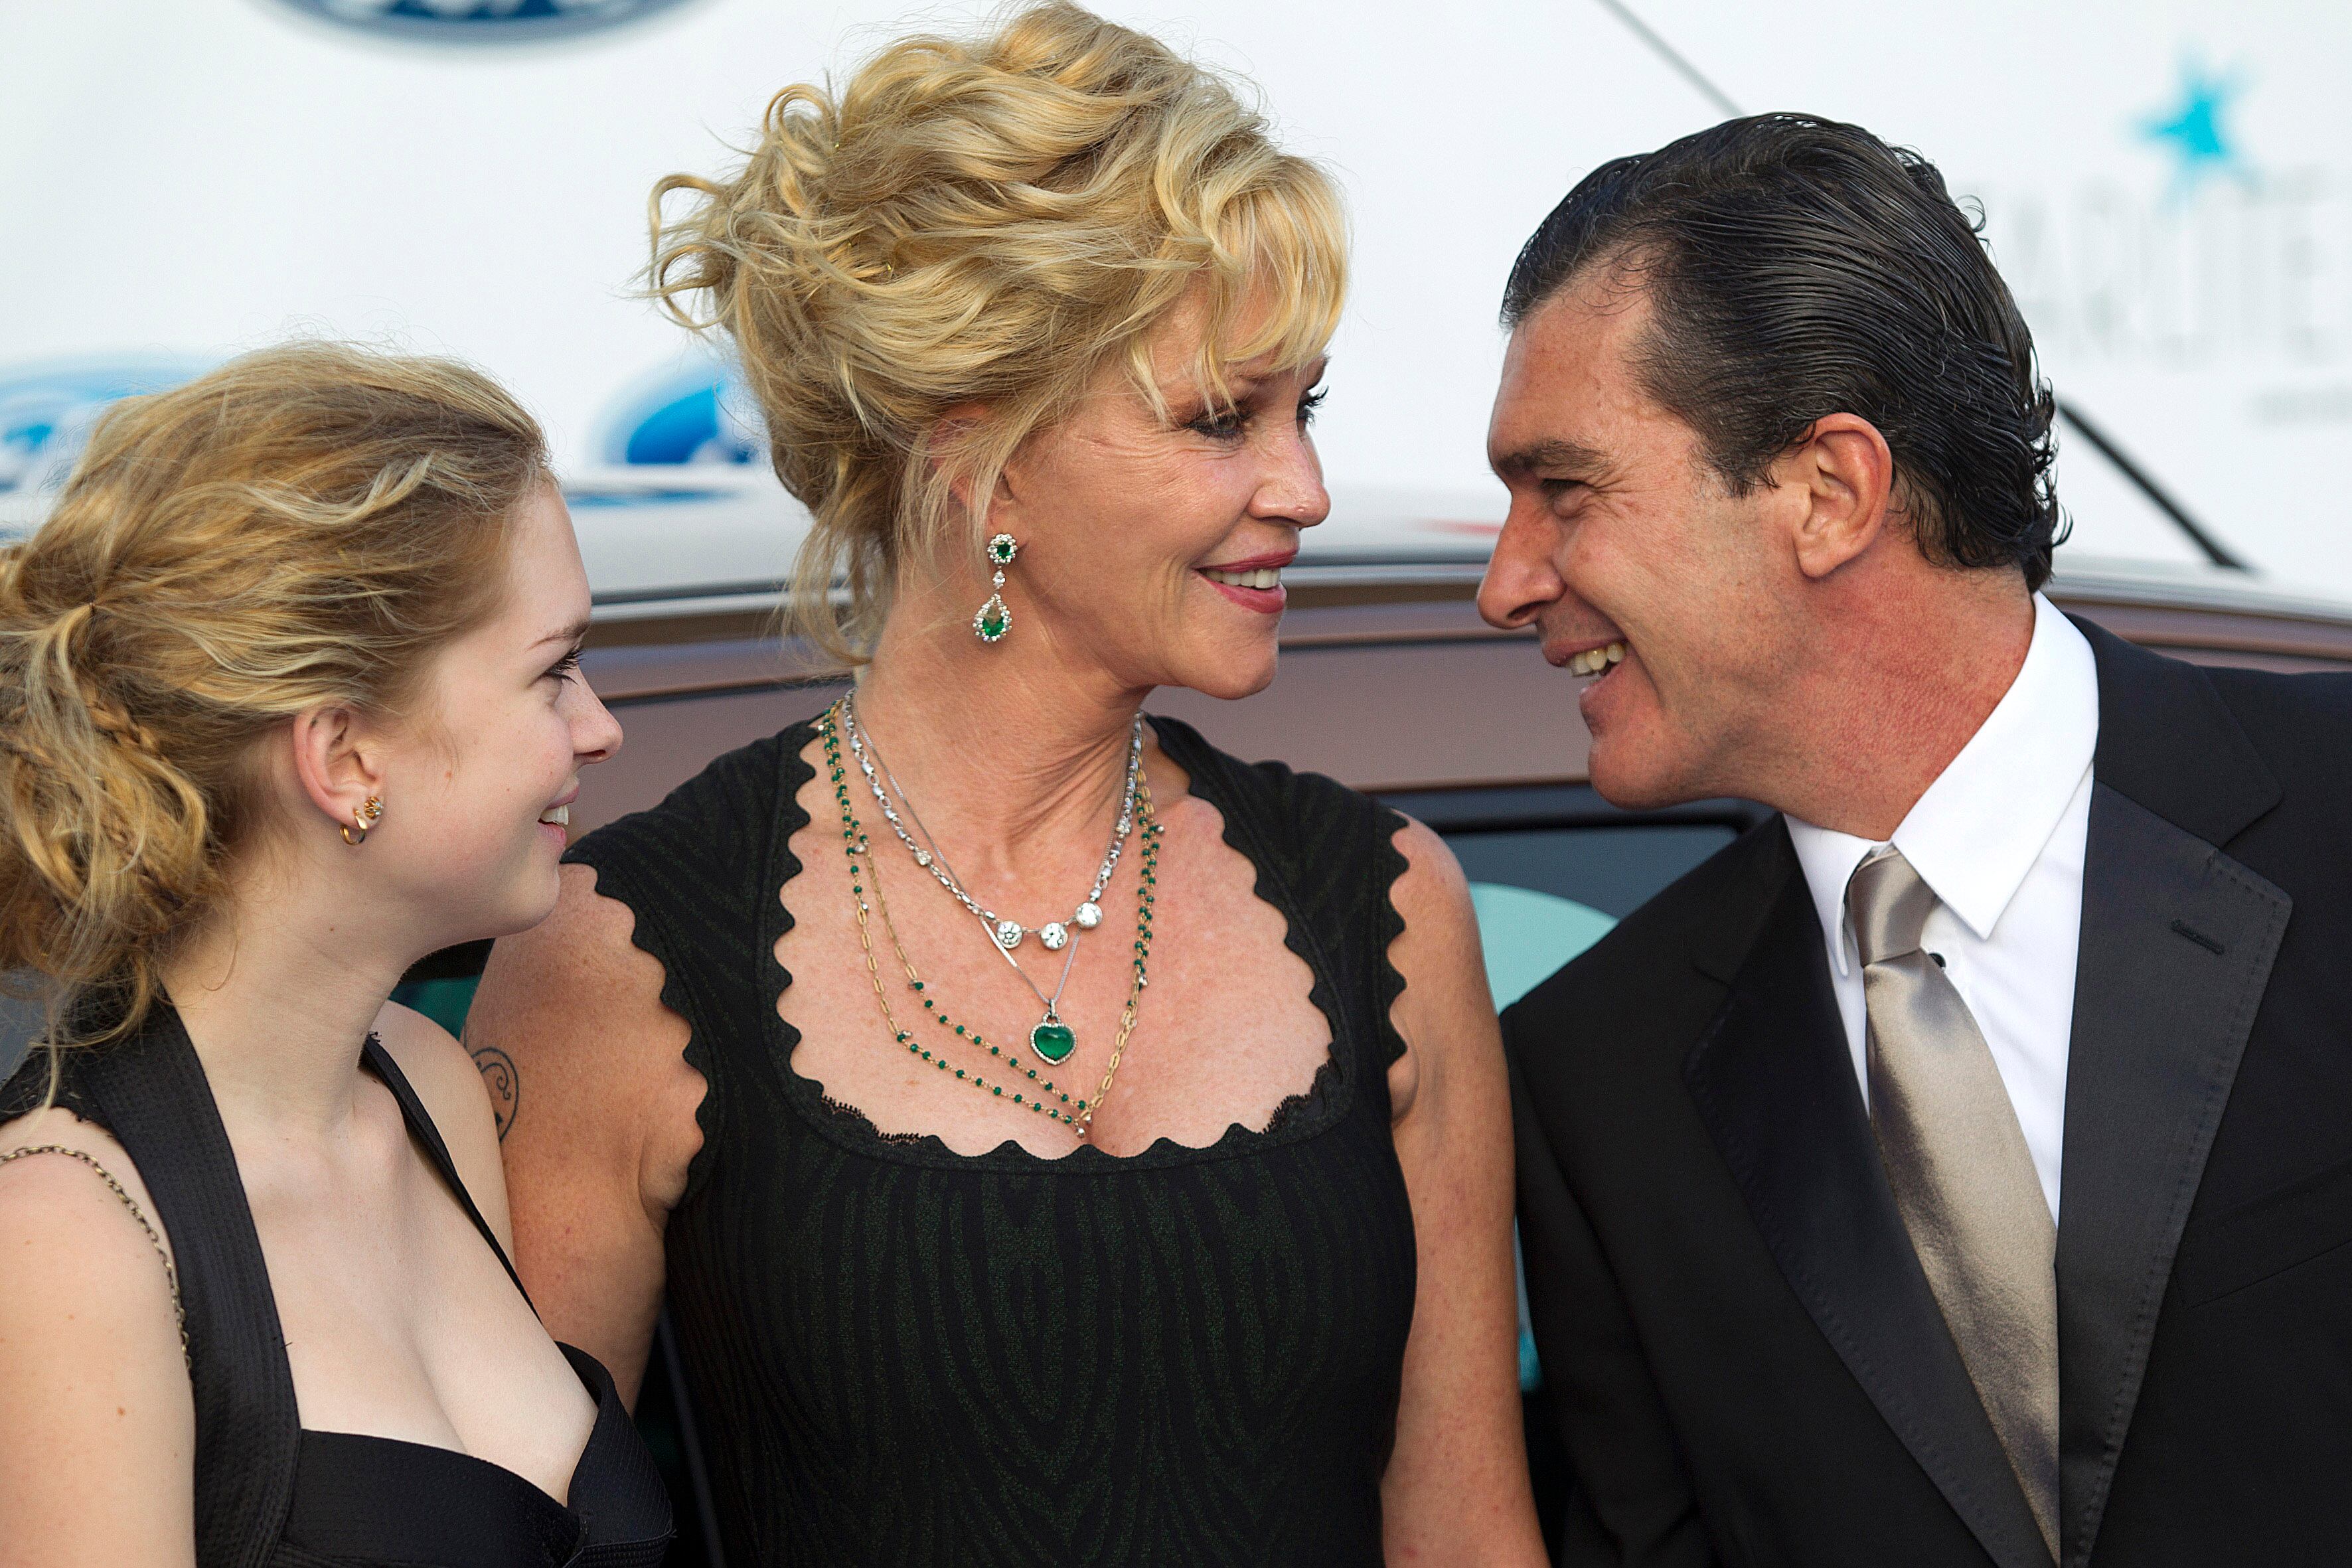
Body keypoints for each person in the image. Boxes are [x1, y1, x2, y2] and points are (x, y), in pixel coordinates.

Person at [464, 5, 1545, 1563]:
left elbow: (1462, 1530)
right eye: (1219, 417)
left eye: (1303, 408)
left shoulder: (1380, 903)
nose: (1299, 486)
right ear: (978, 448)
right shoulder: (611, 954)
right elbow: (530, 1540)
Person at [1482, 112, 2352, 1568]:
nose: (1507, 580)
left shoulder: (2330, 810)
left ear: (1828, 491)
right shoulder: (1600, 1071)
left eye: (1563, 493)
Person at [0, 345, 667, 1566]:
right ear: (345, 756)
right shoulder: (66, 1237)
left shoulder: (427, 1088)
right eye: (553, 671)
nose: (600, 728)